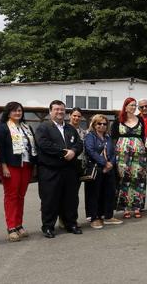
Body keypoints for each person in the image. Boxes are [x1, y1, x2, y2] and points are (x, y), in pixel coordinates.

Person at [36, 100, 83, 238]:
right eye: (56, 109)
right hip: (50, 170)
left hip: (69, 170)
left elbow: (79, 144)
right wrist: (64, 153)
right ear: (50, 111)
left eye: (62, 109)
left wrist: (74, 151)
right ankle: (48, 227)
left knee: (70, 199)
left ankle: (71, 224)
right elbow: (44, 144)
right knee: (50, 199)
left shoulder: (70, 128)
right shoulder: (43, 127)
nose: (59, 112)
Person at [0, 102, 38, 241]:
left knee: (21, 196)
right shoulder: (3, 128)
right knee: (11, 196)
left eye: (20, 110)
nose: (18, 113)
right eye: (14, 111)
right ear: (8, 112)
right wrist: (4, 166)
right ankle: (11, 227)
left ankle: (19, 225)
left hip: (26, 165)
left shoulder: (27, 127)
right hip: (11, 166)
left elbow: (32, 146)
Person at [112, 97, 147, 219]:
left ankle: (137, 207)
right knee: (124, 178)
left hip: (139, 153)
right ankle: (125, 207)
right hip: (122, 154)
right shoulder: (118, 120)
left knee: (138, 178)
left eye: (134, 105)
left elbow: (143, 136)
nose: (133, 107)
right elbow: (113, 138)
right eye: (131, 105)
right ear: (125, 106)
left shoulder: (141, 120)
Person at [84, 115, 122, 229]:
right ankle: (94, 217)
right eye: (99, 124)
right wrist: (104, 163)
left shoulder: (108, 137)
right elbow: (90, 151)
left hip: (109, 169)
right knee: (94, 193)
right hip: (96, 168)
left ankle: (108, 216)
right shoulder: (90, 136)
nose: (102, 126)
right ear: (94, 124)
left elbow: (114, 152)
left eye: (104, 124)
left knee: (109, 192)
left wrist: (110, 164)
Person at [68, 108, 88, 220]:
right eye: (74, 115)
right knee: (67, 193)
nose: (76, 118)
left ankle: (72, 219)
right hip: (68, 164)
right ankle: (64, 218)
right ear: (69, 115)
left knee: (74, 194)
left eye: (79, 116)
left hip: (80, 165)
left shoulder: (83, 132)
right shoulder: (65, 129)